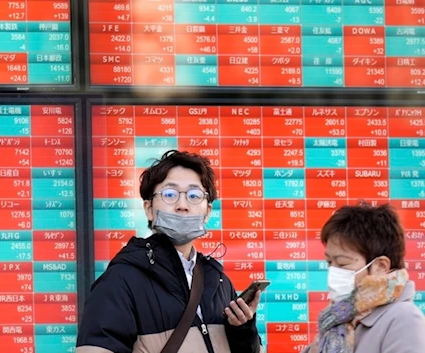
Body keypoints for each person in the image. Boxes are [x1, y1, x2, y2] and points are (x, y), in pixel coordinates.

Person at [76, 150, 262, 353]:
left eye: (194, 196)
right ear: (149, 208)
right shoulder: (120, 281)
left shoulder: (218, 282)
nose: (182, 205)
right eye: (170, 195)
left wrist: (243, 330)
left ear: (208, 211)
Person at [303, 202, 425, 353]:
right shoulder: (337, 318)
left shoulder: (403, 319)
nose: (333, 271)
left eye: (342, 264)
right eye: (329, 262)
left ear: (380, 266)